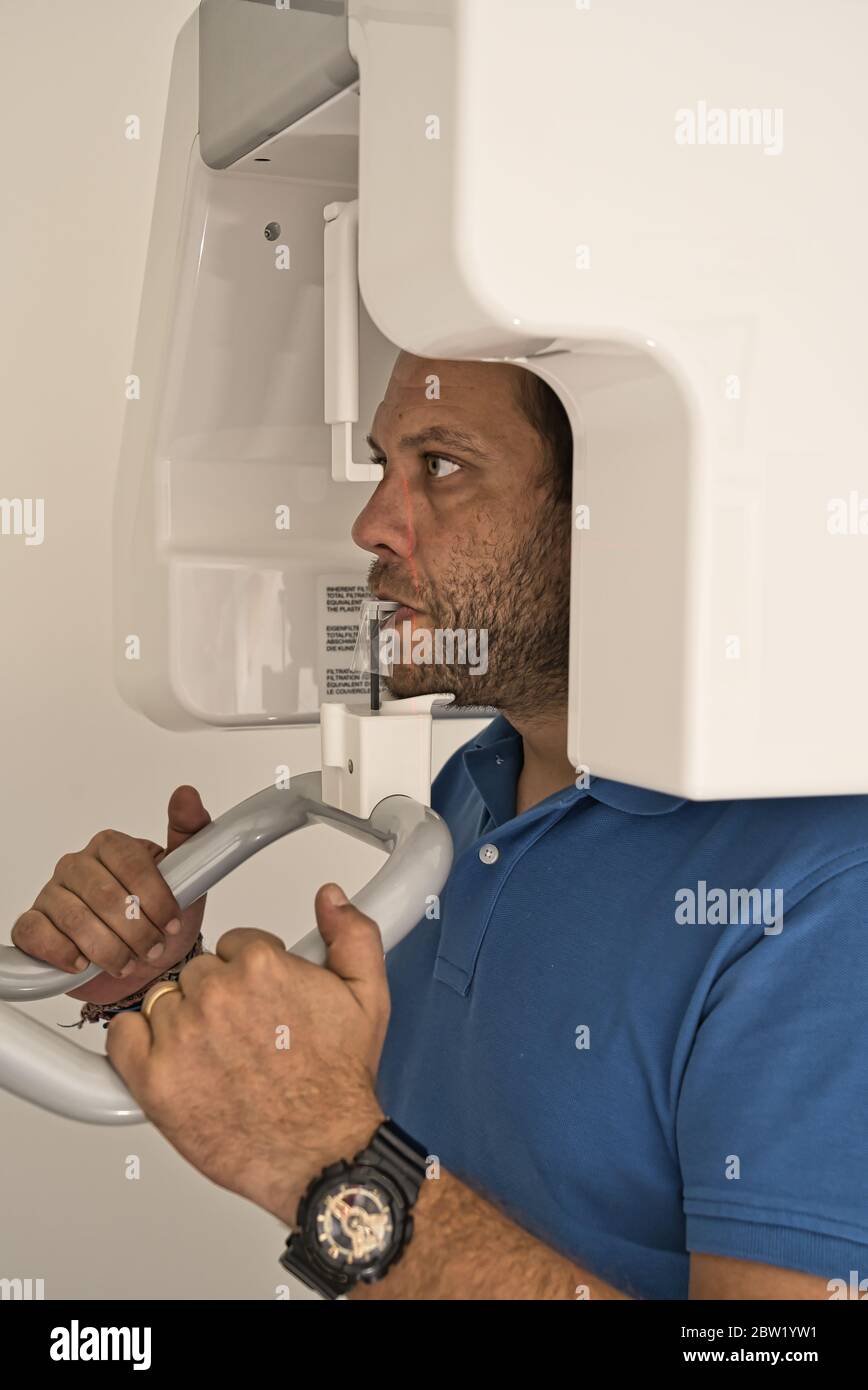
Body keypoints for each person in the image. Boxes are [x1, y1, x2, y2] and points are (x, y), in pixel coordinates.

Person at [12, 352, 868, 1300]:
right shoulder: (476, 782)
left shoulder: (824, 898)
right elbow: (403, 1120)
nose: (371, 525)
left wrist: (331, 1169)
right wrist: (157, 987)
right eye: (383, 465)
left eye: (442, 467)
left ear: (619, 511)